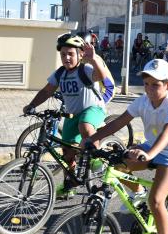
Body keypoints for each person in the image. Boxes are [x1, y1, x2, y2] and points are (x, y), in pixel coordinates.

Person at [84, 59, 168, 234]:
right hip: (150, 146)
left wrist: (150, 154)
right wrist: (94, 138)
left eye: (156, 84)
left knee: (156, 200)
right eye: (146, 84)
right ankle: (138, 193)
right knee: (117, 166)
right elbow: (118, 122)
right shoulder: (142, 101)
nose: (150, 89)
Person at [23, 33, 114, 198]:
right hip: (73, 115)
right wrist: (32, 105)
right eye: (63, 54)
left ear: (80, 54)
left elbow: (101, 76)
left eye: (71, 54)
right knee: (67, 154)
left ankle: (97, 158)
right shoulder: (60, 74)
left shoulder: (85, 69)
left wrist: (93, 59)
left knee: (85, 126)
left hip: (94, 109)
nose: (66, 57)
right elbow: (46, 91)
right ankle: (69, 185)